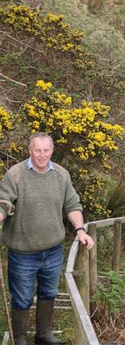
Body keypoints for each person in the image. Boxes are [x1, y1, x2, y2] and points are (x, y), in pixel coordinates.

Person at [0, 132, 94, 345]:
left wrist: (80, 229)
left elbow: (72, 204)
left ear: (51, 150)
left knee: (49, 292)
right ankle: (21, 339)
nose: (41, 155)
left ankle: (43, 335)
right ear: (29, 150)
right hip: (23, 252)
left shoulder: (61, 175)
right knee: (22, 298)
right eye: (37, 150)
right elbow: (4, 202)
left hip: (53, 250)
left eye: (46, 150)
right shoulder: (15, 175)